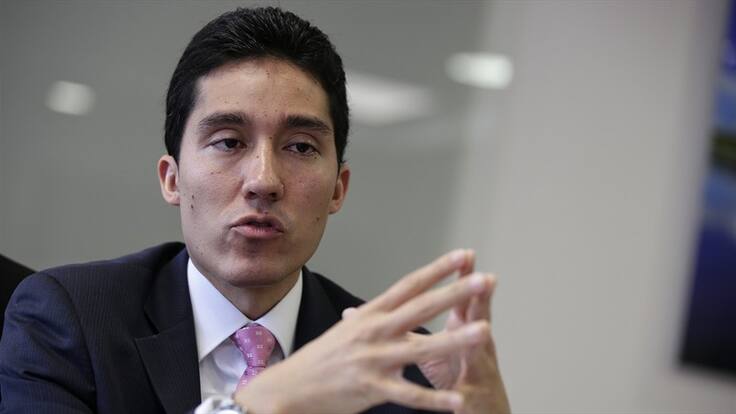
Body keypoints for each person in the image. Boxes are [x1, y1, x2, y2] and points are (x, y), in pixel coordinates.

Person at [0, 7, 510, 414]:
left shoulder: (400, 366)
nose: (264, 181)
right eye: (228, 141)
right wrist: (263, 403)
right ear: (172, 178)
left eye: (301, 147)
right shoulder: (70, 320)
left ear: (338, 189)